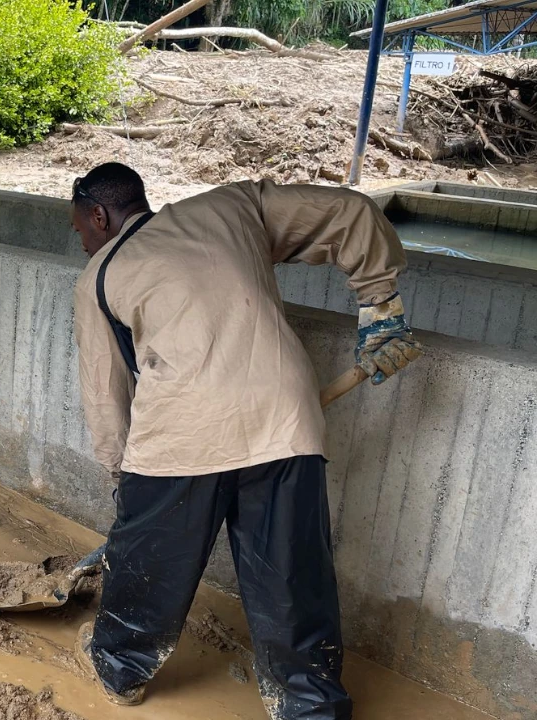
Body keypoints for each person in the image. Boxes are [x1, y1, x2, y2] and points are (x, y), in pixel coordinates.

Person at [69, 162, 422, 719]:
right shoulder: (231, 207)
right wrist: (380, 305)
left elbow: (105, 394)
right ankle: (309, 706)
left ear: (98, 215)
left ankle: (119, 671)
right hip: (284, 423)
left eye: (80, 230)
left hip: (178, 438)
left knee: (147, 570)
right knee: (291, 578)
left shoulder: (99, 277)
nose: (82, 241)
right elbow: (351, 210)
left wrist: (123, 479)